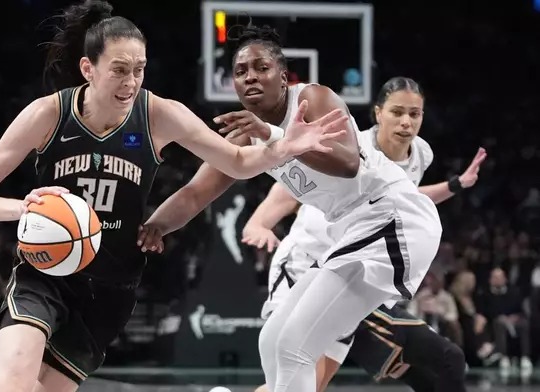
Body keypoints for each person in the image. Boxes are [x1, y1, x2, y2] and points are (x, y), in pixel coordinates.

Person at [0, 2, 347, 391]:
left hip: (109, 288)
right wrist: (22, 207)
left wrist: (283, 147)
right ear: (88, 69)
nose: (131, 82)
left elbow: (238, 162)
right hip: (46, 273)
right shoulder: (48, 115)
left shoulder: (158, 113)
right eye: (119, 70)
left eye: (139, 70)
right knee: (11, 382)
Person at [139, 24, 442, 392]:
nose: (250, 77)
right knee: (273, 339)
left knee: (293, 346)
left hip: (393, 216)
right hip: (358, 229)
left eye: (261, 68)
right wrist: (154, 227)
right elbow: (195, 193)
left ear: (283, 77)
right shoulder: (247, 135)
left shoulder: (312, 99)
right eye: (240, 71)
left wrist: (276, 136)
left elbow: (348, 164)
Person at [241, 77, 486, 391]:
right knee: (291, 355)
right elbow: (291, 186)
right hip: (307, 262)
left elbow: (408, 196)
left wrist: (456, 185)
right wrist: (259, 222)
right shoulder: (350, 141)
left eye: (415, 114)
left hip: (355, 262)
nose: (406, 121)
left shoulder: (420, 154)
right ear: (378, 113)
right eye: (398, 112)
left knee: (305, 375)